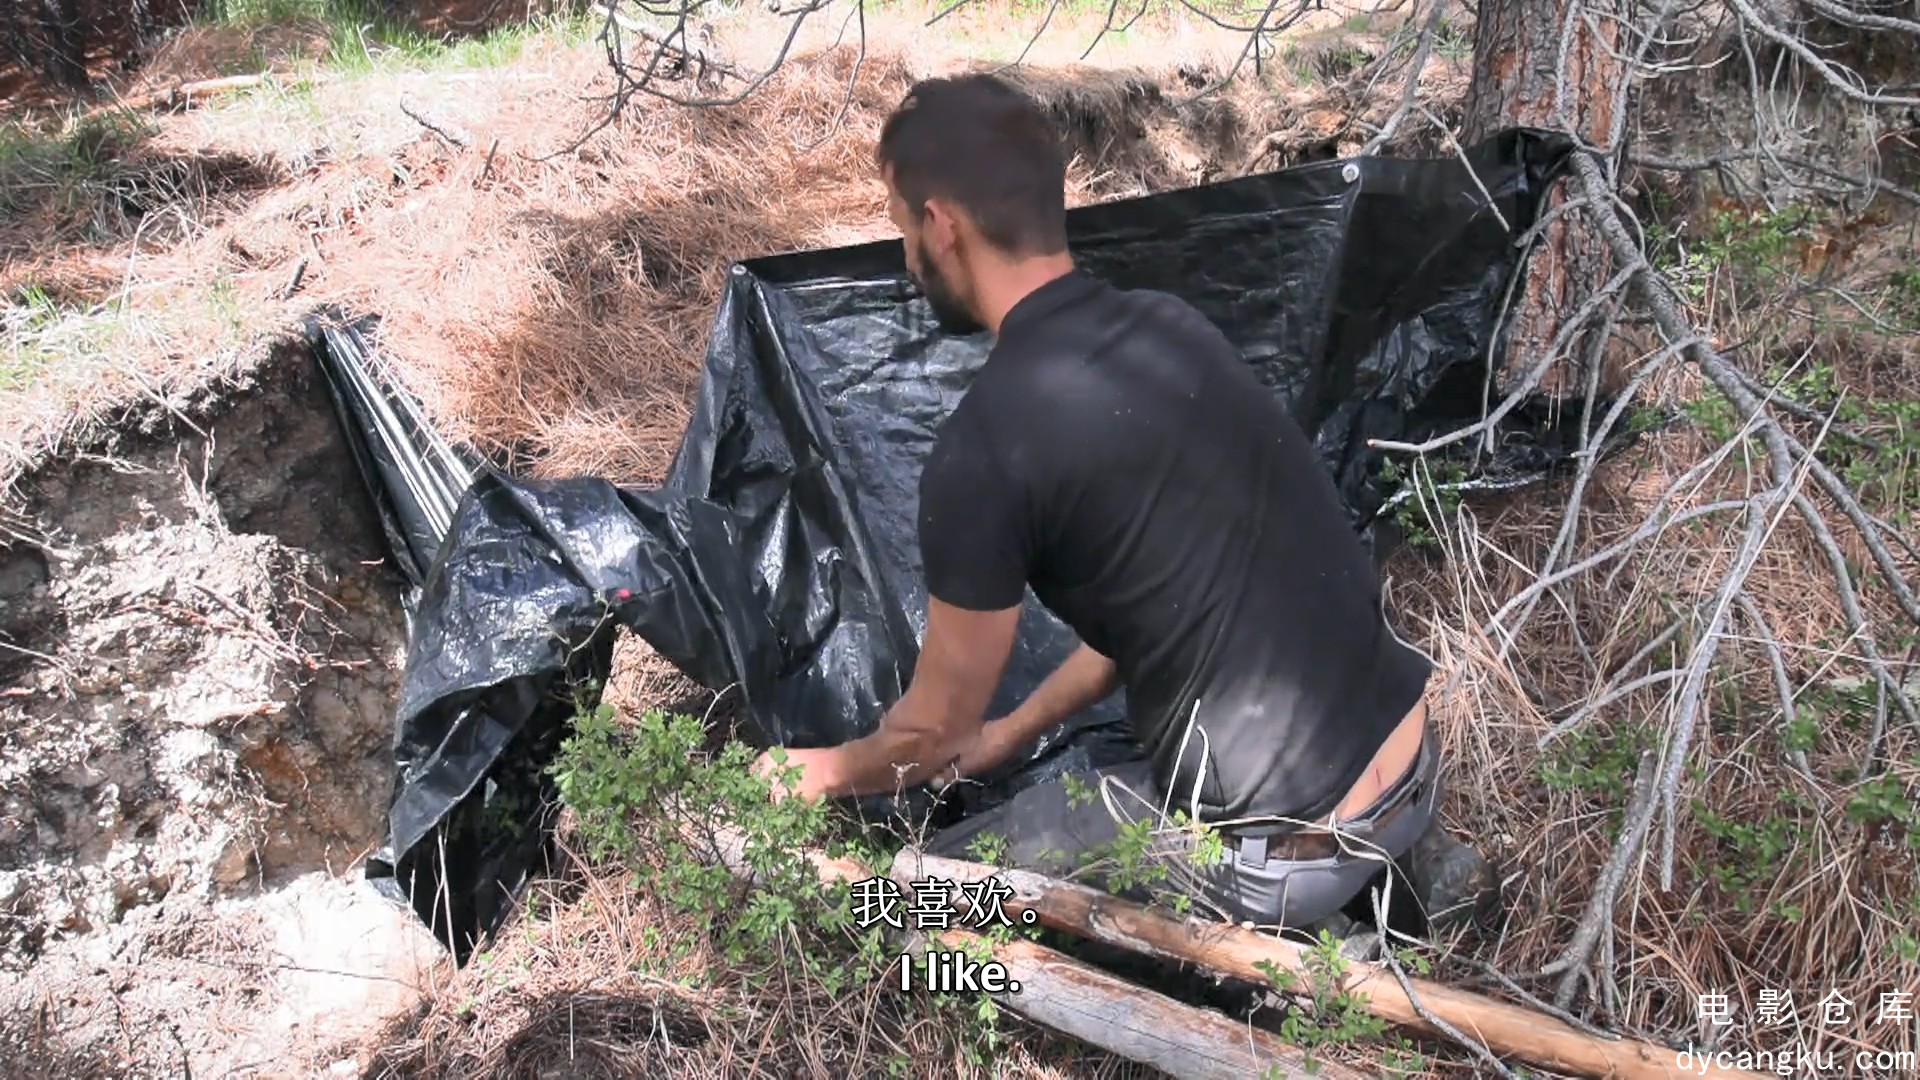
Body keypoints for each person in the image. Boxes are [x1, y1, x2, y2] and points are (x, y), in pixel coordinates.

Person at [750, 72, 1499, 937]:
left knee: (916, 904)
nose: (908, 257)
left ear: (942, 225)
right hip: (1412, 765)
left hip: (1279, 857)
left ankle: (1320, 948)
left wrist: (815, 772)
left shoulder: (984, 447)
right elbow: (1134, 622)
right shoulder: (1169, 328)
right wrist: (1009, 734)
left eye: (903, 227)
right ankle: (1415, 872)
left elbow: (928, 736)